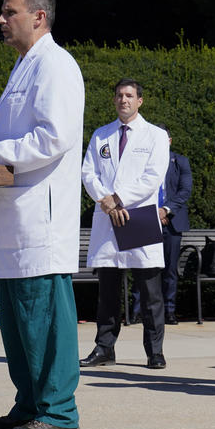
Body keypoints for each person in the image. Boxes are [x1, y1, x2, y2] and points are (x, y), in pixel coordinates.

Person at [0, 0, 84, 429]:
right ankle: (29, 404)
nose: (1, 20)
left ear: (39, 17)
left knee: (44, 317)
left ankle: (59, 412)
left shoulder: (56, 65)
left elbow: (53, 138)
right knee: (17, 319)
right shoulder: (23, 67)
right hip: (15, 212)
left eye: (9, 12)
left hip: (41, 216)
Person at [80, 79, 171, 370]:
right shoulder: (101, 135)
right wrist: (106, 201)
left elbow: (153, 176)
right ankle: (104, 347)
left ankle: (154, 351)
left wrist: (118, 199)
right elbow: (88, 172)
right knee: (108, 290)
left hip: (138, 216)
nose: (124, 100)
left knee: (149, 292)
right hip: (109, 218)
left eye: (129, 96)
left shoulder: (155, 136)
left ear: (140, 101)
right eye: (119, 95)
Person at [156, 125, 192, 326]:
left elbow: (184, 191)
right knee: (146, 268)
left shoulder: (180, 162)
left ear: (170, 140)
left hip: (172, 223)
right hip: (149, 220)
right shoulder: (145, 162)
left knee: (170, 269)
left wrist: (166, 210)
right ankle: (138, 310)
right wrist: (154, 212)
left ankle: (169, 310)